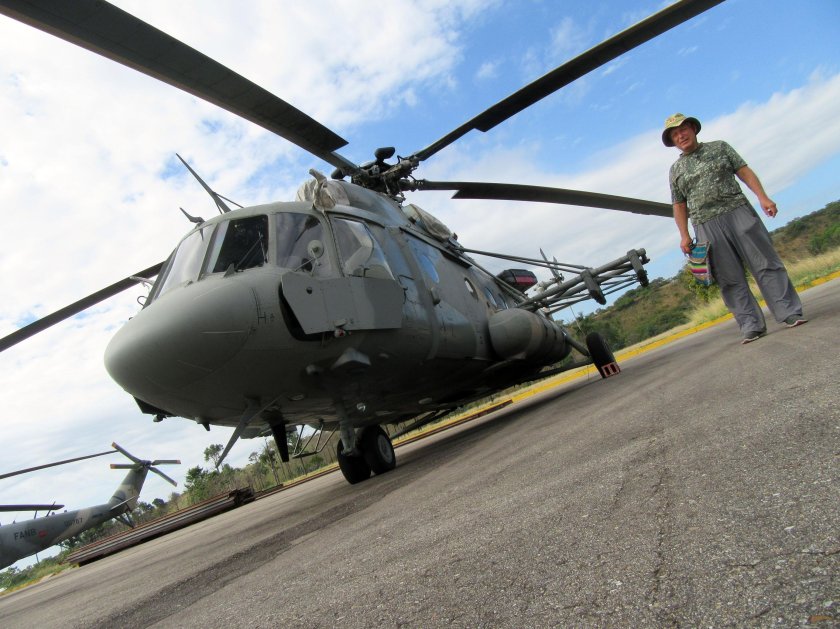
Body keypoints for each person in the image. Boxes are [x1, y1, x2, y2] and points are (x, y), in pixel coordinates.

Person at [663, 113, 807, 344]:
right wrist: (684, 235)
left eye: (683, 130)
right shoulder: (675, 170)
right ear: (672, 141)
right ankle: (751, 325)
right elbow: (679, 204)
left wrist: (763, 198)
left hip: (737, 211)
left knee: (766, 263)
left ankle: (789, 312)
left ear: (692, 129)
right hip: (705, 225)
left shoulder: (719, 147)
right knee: (729, 279)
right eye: (675, 134)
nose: (681, 136)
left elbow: (744, 171)